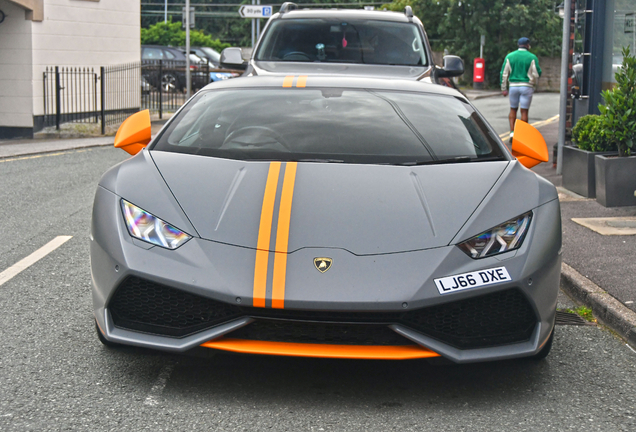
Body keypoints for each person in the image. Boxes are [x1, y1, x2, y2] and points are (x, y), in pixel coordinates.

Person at [500, 37, 542, 138]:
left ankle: (512, 133)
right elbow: (536, 73)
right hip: (526, 86)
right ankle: (523, 135)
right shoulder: (532, 57)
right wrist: (534, 84)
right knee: (524, 111)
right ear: (528, 45)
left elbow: (504, 73)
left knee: (513, 109)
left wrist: (503, 88)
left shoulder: (510, 56)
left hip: (513, 86)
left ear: (518, 45)